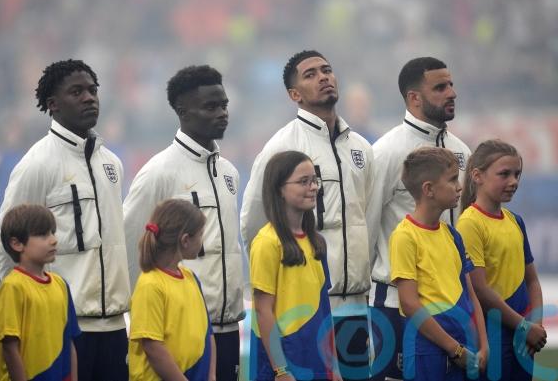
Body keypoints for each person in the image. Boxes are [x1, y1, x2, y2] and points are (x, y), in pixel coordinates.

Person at [241, 50, 373, 377]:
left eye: (327, 70)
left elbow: (367, 215)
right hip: (305, 312)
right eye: (310, 74)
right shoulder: (281, 147)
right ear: (294, 94)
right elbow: (254, 222)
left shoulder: (361, 147)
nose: (323, 77)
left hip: (357, 305)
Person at [0, 59, 131, 381]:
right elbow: (5, 245)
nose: (89, 98)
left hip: (115, 326)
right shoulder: (36, 164)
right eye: (77, 92)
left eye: (93, 90)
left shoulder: (111, 163)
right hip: (63, 328)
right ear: (53, 104)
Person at [123, 65, 244, 380]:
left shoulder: (229, 173)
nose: (222, 113)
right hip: (180, 329)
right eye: (210, 107)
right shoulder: (157, 173)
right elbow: (130, 246)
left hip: (229, 325)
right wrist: (148, 315)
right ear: (182, 111)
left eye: (224, 105)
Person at [366, 57, 471, 380]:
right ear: (414, 98)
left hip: (452, 299)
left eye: (451, 84)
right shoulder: (386, 152)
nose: (451, 92)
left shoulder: (462, 152)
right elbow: (366, 228)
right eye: (440, 87)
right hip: (396, 302)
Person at [390, 147, 488, 381]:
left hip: (464, 346)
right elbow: (409, 303)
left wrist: (484, 345)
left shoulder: (453, 235)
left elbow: (471, 295)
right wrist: (454, 349)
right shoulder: (405, 236)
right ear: (429, 189)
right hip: (427, 350)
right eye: (452, 179)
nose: (460, 187)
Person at [456, 139, 546, 381]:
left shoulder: (515, 220)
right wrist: (523, 326)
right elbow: (480, 289)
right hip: (493, 334)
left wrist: (535, 326)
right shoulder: (470, 223)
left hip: (523, 337)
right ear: (477, 176)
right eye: (504, 174)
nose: (514, 181)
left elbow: (532, 281)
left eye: (517, 174)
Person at [250, 151, 342, 381]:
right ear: (279, 189)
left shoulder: (317, 242)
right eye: (303, 181)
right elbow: (263, 311)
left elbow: (324, 310)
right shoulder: (266, 243)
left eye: (314, 180)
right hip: (284, 365)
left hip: (317, 363)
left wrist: (334, 367)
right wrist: (281, 370)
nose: (313, 187)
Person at [128, 199, 215, 380]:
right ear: (185, 240)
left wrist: (211, 375)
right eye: (200, 235)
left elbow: (208, 333)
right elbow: (153, 348)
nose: (202, 240)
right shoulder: (150, 285)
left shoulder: (191, 278)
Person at [0, 204, 80, 381]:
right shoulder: (13, 287)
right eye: (43, 234)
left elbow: (69, 342)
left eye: (52, 233)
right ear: (17, 244)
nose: (53, 240)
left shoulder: (61, 284)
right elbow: (10, 347)